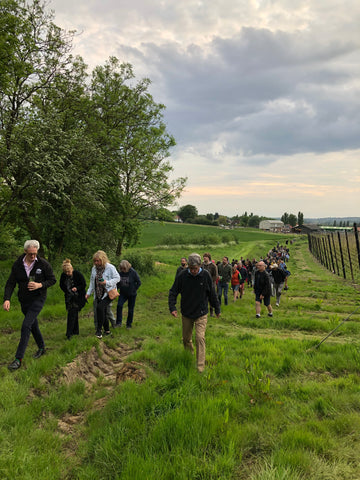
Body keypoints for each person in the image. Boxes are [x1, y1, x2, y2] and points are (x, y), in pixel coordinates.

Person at [3, 240, 56, 370]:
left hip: (38, 298)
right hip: (24, 300)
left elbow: (52, 280)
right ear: (25, 251)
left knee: (26, 325)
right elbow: (10, 283)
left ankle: (18, 359)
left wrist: (40, 285)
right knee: (33, 325)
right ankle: (42, 348)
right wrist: (7, 299)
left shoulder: (43, 264)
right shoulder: (17, 265)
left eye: (35, 253)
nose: (33, 256)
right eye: (30, 254)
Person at [168, 253, 220, 373]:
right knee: (186, 339)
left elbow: (212, 294)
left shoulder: (205, 275)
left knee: (200, 338)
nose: (193, 271)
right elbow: (173, 291)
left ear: (200, 265)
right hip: (187, 312)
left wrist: (217, 309)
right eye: (191, 268)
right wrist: (172, 307)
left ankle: (200, 367)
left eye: (195, 268)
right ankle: (189, 355)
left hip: (201, 313)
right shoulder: (182, 275)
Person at [85, 250, 120, 339]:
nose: (96, 263)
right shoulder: (94, 269)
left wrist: (106, 282)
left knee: (100, 308)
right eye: (95, 261)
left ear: (103, 260)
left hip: (108, 293)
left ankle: (99, 330)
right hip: (98, 293)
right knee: (103, 311)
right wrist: (88, 293)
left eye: (98, 261)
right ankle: (107, 330)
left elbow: (117, 278)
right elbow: (92, 282)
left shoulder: (110, 268)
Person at [60, 259, 87, 339]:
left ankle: (69, 333)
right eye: (66, 272)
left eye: (69, 272)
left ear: (72, 269)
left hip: (79, 297)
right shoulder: (63, 276)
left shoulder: (77, 274)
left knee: (72, 313)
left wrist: (76, 288)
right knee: (73, 313)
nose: (67, 274)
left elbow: (83, 284)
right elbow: (61, 285)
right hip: (69, 297)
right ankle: (75, 331)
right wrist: (67, 291)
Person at [115, 260, 141, 329]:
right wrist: (116, 290)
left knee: (130, 309)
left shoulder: (133, 272)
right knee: (119, 306)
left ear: (127, 267)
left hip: (132, 294)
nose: (123, 270)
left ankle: (129, 324)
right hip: (123, 293)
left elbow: (139, 282)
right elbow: (117, 282)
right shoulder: (120, 273)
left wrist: (134, 289)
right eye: (121, 269)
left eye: (124, 269)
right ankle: (118, 322)